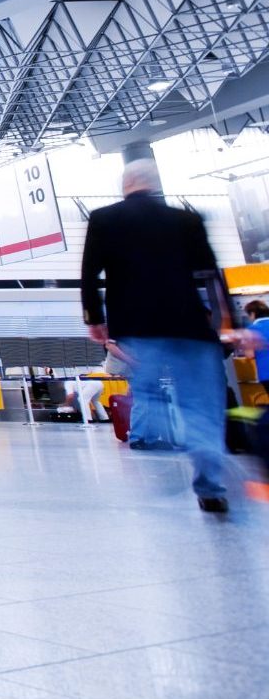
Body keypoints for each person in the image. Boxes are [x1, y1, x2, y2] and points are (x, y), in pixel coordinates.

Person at [81, 158, 233, 513]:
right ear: (155, 184)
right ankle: (209, 481)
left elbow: (90, 273)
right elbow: (210, 274)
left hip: (137, 325)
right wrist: (230, 321)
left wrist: (94, 318)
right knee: (201, 406)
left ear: (125, 185)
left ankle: (161, 447)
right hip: (190, 325)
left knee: (148, 391)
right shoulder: (187, 219)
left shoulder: (105, 219)